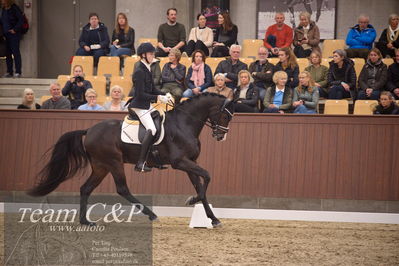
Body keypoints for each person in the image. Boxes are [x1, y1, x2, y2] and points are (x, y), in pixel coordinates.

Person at [128, 43, 171, 172]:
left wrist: (165, 94)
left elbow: (152, 89)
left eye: (153, 53)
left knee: (162, 118)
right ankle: (140, 163)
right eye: (151, 53)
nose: (153, 56)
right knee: (151, 129)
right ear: (143, 55)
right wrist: (158, 98)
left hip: (146, 105)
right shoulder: (139, 72)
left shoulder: (147, 69)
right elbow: (140, 94)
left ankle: (155, 157)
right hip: (139, 106)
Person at [1, 0, 24, 78]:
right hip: (6, 35)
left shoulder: (14, 8)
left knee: (15, 52)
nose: (2, 2)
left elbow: (21, 20)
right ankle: (9, 72)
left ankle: (18, 72)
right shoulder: (3, 9)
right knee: (7, 54)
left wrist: (15, 29)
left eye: (3, 0)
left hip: (14, 35)